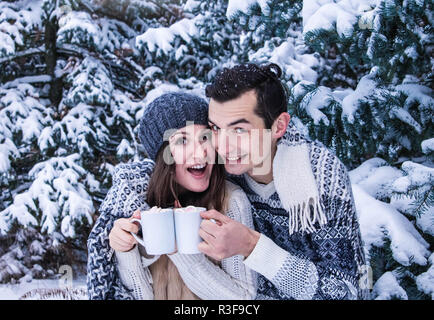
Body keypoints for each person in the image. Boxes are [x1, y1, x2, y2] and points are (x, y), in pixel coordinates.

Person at [197, 63, 369, 300]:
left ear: (279, 126)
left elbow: (345, 293)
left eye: (239, 130)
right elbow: (165, 165)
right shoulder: (220, 169)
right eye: (216, 128)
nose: (222, 146)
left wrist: (252, 246)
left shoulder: (318, 174)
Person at [86, 92, 257, 300]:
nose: (201, 152)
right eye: (183, 141)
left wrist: (180, 250)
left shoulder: (231, 201)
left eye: (205, 137)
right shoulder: (139, 202)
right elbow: (139, 295)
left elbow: (243, 299)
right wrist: (125, 251)